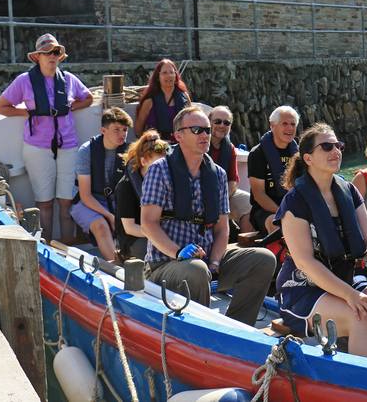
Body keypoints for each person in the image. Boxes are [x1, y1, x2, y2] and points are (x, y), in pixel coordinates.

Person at [140, 106, 276, 326]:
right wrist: (178, 253)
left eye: (207, 130)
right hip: (164, 265)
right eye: (196, 129)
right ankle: (201, 331)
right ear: (178, 135)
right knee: (195, 269)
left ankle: (238, 327)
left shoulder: (218, 175)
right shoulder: (160, 170)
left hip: (206, 260)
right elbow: (148, 223)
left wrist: (214, 261)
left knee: (263, 259)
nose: (205, 134)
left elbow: (222, 228)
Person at [275, 123, 367, 358]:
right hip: (303, 291)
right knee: (361, 315)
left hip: (347, 281)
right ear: (308, 158)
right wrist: (350, 296)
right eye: (327, 146)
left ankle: (357, 362)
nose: (336, 151)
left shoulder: (349, 191)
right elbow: (305, 263)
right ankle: (364, 387)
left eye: (338, 145)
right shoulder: (294, 202)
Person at [0, 33, 94, 243]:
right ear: (38, 56)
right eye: (46, 53)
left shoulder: (69, 80)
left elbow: (88, 98)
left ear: (60, 56)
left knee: (66, 202)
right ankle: (47, 247)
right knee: (45, 204)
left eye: (55, 52)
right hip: (37, 149)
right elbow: (0, 107)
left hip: (67, 146)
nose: (52, 56)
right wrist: (27, 112)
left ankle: (67, 245)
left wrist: (67, 108)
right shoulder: (24, 81)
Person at [70, 107, 133, 260]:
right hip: (88, 201)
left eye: (124, 129)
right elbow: (85, 195)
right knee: (101, 226)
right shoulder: (86, 151)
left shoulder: (130, 152)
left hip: (116, 202)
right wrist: (111, 217)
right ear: (103, 130)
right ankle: (117, 268)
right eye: (116, 129)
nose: (122, 134)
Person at [114, 129, 170, 261]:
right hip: (135, 240)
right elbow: (129, 228)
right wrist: (160, 235)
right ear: (143, 161)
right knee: (165, 255)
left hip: (161, 233)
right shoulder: (126, 186)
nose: (163, 168)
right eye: (158, 164)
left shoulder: (165, 182)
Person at [247, 105, 299, 234]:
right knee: (277, 225)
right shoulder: (257, 154)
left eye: (293, 124)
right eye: (285, 124)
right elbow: (259, 194)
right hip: (265, 211)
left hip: (294, 207)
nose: (290, 128)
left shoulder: (299, 155)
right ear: (272, 125)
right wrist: (283, 214)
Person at [208, 105, 252, 233]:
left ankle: (245, 243)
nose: (222, 125)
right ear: (209, 122)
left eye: (226, 122)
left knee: (248, 203)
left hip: (223, 194)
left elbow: (232, 182)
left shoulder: (229, 148)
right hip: (200, 193)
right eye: (217, 121)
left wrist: (221, 201)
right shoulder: (200, 142)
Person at [135, 58, 192, 142]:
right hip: (156, 146)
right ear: (158, 77)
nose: (169, 75)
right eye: (164, 73)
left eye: (171, 72)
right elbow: (138, 130)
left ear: (176, 76)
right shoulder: (149, 101)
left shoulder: (185, 97)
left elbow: (192, 122)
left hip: (180, 144)